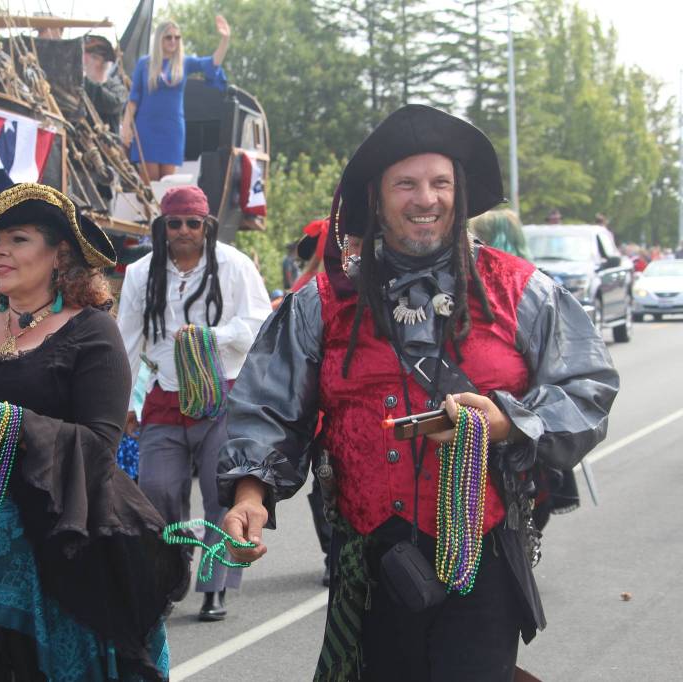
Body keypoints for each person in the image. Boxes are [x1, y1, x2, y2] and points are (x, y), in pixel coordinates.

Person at [218, 105, 619, 680]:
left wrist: (507, 422)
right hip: (371, 566)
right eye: (405, 183)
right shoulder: (322, 304)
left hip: (485, 557)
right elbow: (267, 408)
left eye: (440, 183)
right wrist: (250, 495)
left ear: (460, 192)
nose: (425, 198)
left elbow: (588, 388)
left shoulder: (521, 290)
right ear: (377, 199)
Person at [0, 183, 185, 681]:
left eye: (18, 239)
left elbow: (99, 446)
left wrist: (6, 422)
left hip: (56, 551)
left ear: (60, 254)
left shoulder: (92, 331)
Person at [116, 185, 271, 621]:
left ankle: (214, 586)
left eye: (192, 223)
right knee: (158, 491)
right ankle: (172, 574)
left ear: (207, 225)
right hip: (164, 396)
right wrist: (125, 402)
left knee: (220, 494)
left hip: (224, 396)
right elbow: (127, 340)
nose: (184, 230)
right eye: (174, 223)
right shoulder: (141, 273)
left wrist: (211, 336)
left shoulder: (234, 265)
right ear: (162, 227)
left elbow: (261, 322)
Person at [120, 17, 230, 182]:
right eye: (168, 37)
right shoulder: (145, 63)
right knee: (150, 181)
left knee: (168, 182)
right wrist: (126, 126)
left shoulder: (184, 62)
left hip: (172, 128)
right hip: (147, 127)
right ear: (159, 39)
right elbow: (134, 98)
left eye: (177, 37)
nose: (173, 41)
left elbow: (212, 63)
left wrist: (225, 39)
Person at [83, 35, 129, 135]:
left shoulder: (117, 89)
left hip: (103, 143)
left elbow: (114, 103)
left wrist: (86, 82)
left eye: (95, 57)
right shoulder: (79, 85)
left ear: (106, 64)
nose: (85, 60)